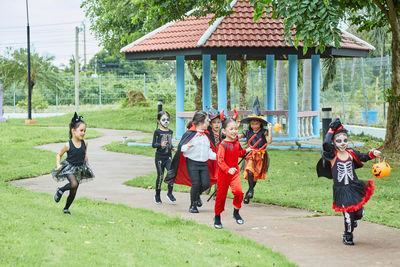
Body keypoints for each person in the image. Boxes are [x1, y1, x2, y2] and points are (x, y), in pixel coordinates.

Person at [316, 118, 381, 245]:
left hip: (354, 187)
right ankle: (348, 235)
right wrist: (331, 130)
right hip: (341, 190)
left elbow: (363, 156)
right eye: (338, 141)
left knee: (358, 213)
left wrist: (373, 153)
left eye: (345, 140)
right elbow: (326, 145)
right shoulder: (332, 156)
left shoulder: (351, 153)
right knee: (347, 215)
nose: (342, 143)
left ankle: (354, 219)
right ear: (334, 142)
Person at [165, 110, 217, 213]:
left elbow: (209, 152)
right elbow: (181, 148)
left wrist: (219, 157)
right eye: (207, 120)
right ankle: (193, 205)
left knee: (206, 183)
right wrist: (186, 147)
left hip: (203, 163)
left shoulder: (207, 135)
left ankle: (197, 195)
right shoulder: (190, 133)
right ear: (201, 123)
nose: (209, 122)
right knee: (196, 183)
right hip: (192, 163)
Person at [214, 113, 252, 229]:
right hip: (224, 174)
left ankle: (236, 212)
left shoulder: (236, 143)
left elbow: (239, 153)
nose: (235, 131)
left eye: (236, 129)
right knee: (221, 196)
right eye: (231, 129)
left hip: (234, 173)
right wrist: (227, 169)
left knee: (239, 192)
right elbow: (220, 161)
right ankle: (217, 217)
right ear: (224, 131)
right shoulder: (222, 145)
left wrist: (247, 150)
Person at [51, 112, 95, 215]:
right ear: (73, 131)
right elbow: (59, 155)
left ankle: (66, 208)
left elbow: (84, 154)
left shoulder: (85, 143)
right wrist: (58, 165)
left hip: (80, 168)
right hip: (69, 167)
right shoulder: (68, 145)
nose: (83, 133)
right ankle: (60, 190)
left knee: (74, 190)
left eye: (85, 131)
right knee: (73, 183)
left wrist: (87, 163)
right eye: (81, 130)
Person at [238, 97, 272, 204]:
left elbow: (269, 141)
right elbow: (236, 136)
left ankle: (249, 191)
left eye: (256, 124)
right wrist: (235, 126)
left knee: (256, 174)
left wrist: (270, 129)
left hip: (261, 155)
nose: (254, 126)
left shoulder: (264, 132)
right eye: (252, 124)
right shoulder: (247, 132)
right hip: (250, 154)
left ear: (260, 124)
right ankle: (251, 190)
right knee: (250, 170)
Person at [152, 111, 177, 204]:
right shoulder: (157, 132)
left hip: (168, 157)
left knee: (172, 173)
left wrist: (173, 148)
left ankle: (170, 193)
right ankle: (157, 195)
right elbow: (153, 145)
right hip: (159, 158)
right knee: (160, 176)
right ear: (159, 121)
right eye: (163, 119)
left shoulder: (170, 132)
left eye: (167, 119)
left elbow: (169, 143)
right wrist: (160, 144)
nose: (166, 121)